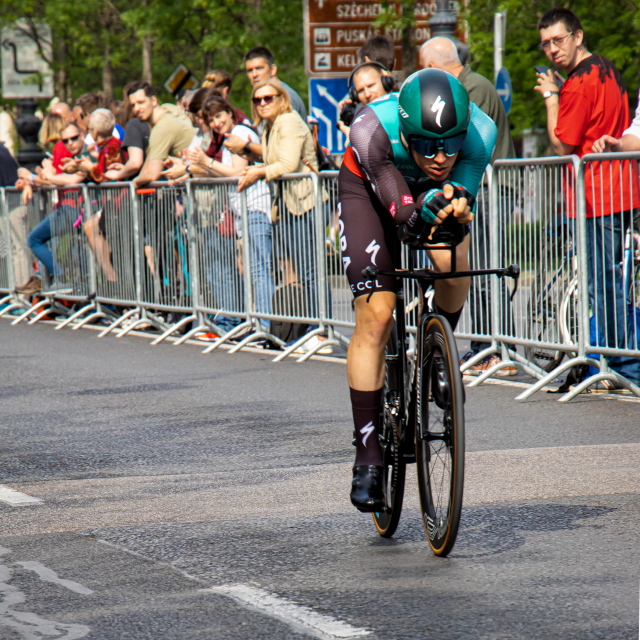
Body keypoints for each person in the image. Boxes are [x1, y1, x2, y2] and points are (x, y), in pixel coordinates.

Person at [338, 68, 496, 511]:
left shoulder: (481, 133)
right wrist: (421, 206)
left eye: (451, 143)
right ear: (407, 134)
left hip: (428, 193)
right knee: (376, 315)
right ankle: (368, 455)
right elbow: (404, 216)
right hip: (370, 190)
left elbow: (459, 197)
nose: (441, 156)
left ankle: (436, 354)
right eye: (427, 145)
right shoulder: (370, 128)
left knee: (454, 266)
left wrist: (452, 203)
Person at [535, 8, 640, 388]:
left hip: (597, 194)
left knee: (603, 284)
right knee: (612, 280)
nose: (552, 49)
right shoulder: (606, 68)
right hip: (620, 187)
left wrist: (551, 97)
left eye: (558, 40)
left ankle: (623, 366)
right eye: (545, 44)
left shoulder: (579, 82)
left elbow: (561, 143)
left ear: (577, 37)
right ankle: (619, 362)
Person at [420, 36, 517, 376]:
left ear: (433, 68)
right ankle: (487, 347)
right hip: (484, 187)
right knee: (475, 266)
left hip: (488, 188)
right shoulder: (471, 84)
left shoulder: (468, 89)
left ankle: (494, 350)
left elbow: (459, 142)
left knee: (482, 269)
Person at [237, 79, 328, 352]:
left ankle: (322, 333)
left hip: (305, 202)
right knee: (304, 270)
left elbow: (287, 164)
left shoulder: (288, 121)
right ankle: (314, 328)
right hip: (289, 204)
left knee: (311, 271)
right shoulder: (270, 126)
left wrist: (257, 172)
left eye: (269, 98)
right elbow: (276, 161)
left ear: (282, 99)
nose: (263, 103)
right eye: (258, 99)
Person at [185, 96, 273, 334]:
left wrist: (206, 161)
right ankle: (259, 324)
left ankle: (265, 326)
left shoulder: (239, 133)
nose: (216, 123)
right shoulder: (228, 136)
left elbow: (236, 172)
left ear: (229, 112)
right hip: (244, 210)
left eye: (219, 116)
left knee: (259, 270)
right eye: (211, 120)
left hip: (255, 206)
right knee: (254, 269)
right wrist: (197, 166)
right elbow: (226, 173)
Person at [13, 123, 90, 293]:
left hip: (74, 210)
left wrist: (34, 177)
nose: (70, 143)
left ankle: (61, 278)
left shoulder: (85, 157)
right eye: (65, 140)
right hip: (72, 210)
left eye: (73, 138)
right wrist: (33, 181)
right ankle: (63, 284)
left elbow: (67, 181)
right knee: (78, 254)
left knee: (34, 239)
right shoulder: (72, 159)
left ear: (82, 136)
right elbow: (56, 180)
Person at [224, 46, 307, 159]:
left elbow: (286, 152)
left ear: (273, 70)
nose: (254, 75)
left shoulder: (284, 98)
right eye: (250, 70)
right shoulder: (263, 98)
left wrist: (247, 145)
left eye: (259, 68)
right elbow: (271, 154)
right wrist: (247, 152)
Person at [125, 82, 195, 188]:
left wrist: (134, 183)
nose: (136, 109)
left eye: (141, 102)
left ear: (154, 100)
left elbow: (152, 174)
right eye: (133, 105)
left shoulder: (162, 127)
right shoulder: (168, 108)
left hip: (202, 185)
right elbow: (151, 157)